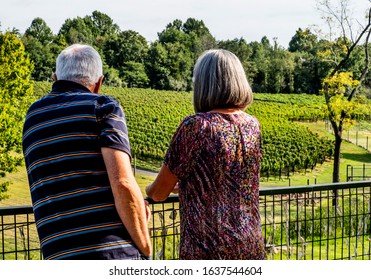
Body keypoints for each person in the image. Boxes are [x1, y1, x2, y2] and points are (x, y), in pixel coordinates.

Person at [22, 44, 151, 260]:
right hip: (111, 254)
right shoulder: (103, 107)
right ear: (99, 83)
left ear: (55, 78)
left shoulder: (32, 118)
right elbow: (123, 183)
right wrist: (145, 247)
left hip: (58, 256)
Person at [146, 49, 266, 260]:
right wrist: (189, 186)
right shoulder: (252, 125)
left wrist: (144, 192)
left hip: (208, 251)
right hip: (251, 246)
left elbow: (158, 193)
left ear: (204, 84)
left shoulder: (197, 126)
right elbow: (230, 181)